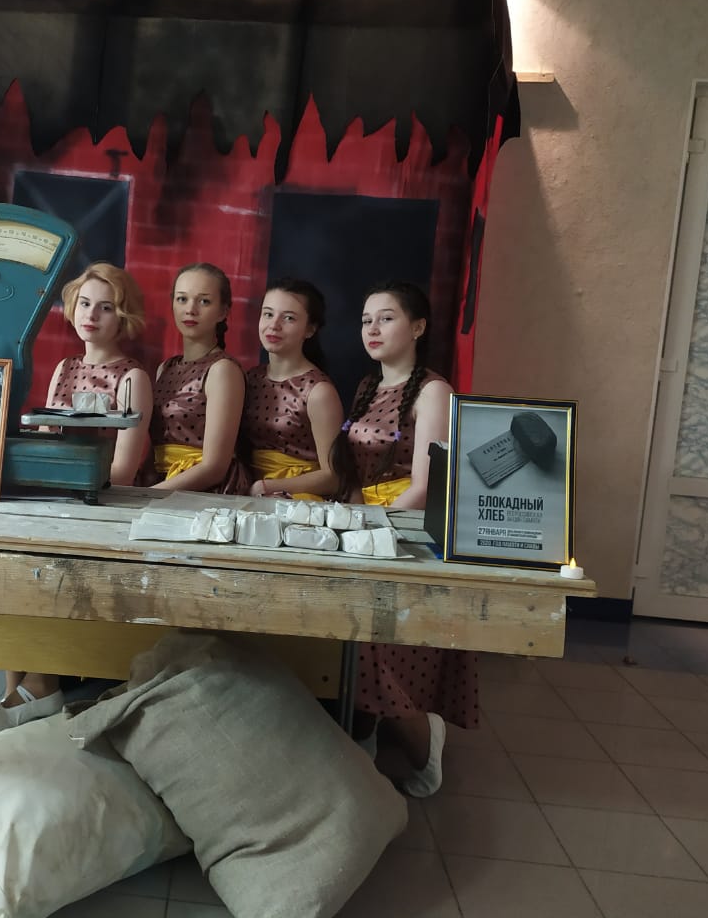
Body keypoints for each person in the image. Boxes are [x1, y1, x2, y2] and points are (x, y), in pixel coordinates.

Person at [0, 262, 153, 735]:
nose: (92, 316)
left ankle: (15, 686)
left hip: (101, 506)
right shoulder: (65, 367)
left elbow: (122, 471)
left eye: (106, 308)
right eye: (85, 304)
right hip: (56, 498)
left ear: (123, 317)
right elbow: (44, 441)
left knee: (35, 566)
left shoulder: (132, 378)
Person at [329, 281, 478, 798]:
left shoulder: (434, 391)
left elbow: (424, 486)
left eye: (386, 318)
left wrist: (370, 527)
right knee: (340, 636)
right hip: (366, 527)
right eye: (366, 320)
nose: (372, 328)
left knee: (371, 648)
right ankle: (365, 734)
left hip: (408, 534)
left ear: (417, 327)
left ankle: (422, 740)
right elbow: (353, 472)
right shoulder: (368, 386)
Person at [147, 262, 247, 494]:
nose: (190, 309)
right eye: (182, 299)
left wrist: (150, 495)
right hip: (161, 484)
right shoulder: (166, 368)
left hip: (204, 494)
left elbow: (214, 468)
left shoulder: (223, 370)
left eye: (204, 302)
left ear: (223, 312)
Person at [242, 279, 343, 500]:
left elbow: (333, 477)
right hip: (246, 491)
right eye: (268, 314)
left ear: (310, 329)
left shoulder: (319, 391)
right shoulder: (250, 378)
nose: (274, 325)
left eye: (288, 318)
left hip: (297, 500)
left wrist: (266, 486)